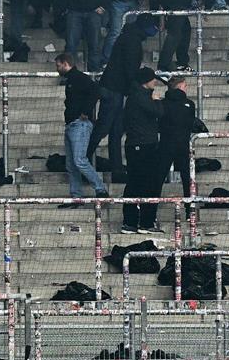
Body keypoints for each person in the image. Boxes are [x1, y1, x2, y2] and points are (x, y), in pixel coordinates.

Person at [87, 13, 159, 175]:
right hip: (114, 90)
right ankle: (83, 158)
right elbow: (129, 69)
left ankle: (117, 169)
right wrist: (138, 90)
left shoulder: (129, 36)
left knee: (115, 130)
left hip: (115, 89)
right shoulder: (132, 41)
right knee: (105, 128)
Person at [55, 53, 109, 205]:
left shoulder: (79, 78)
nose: (57, 69)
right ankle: (76, 195)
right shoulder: (72, 79)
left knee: (79, 160)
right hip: (72, 124)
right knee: (71, 164)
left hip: (79, 124)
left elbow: (96, 91)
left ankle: (100, 189)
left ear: (65, 63)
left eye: (58, 65)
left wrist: (85, 112)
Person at [121, 67, 166, 234]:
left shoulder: (135, 96)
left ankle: (135, 222)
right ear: (145, 81)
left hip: (140, 144)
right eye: (152, 79)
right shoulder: (140, 97)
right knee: (140, 183)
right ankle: (139, 222)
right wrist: (156, 100)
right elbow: (158, 112)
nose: (155, 82)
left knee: (138, 182)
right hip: (142, 145)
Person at [158, 76, 197, 217]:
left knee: (157, 179)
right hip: (183, 144)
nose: (186, 88)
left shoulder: (162, 103)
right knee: (188, 179)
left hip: (165, 144)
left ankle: (150, 214)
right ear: (180, 87)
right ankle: (190, 212)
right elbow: (190, 123)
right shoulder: (189, 104)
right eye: (185, 85)